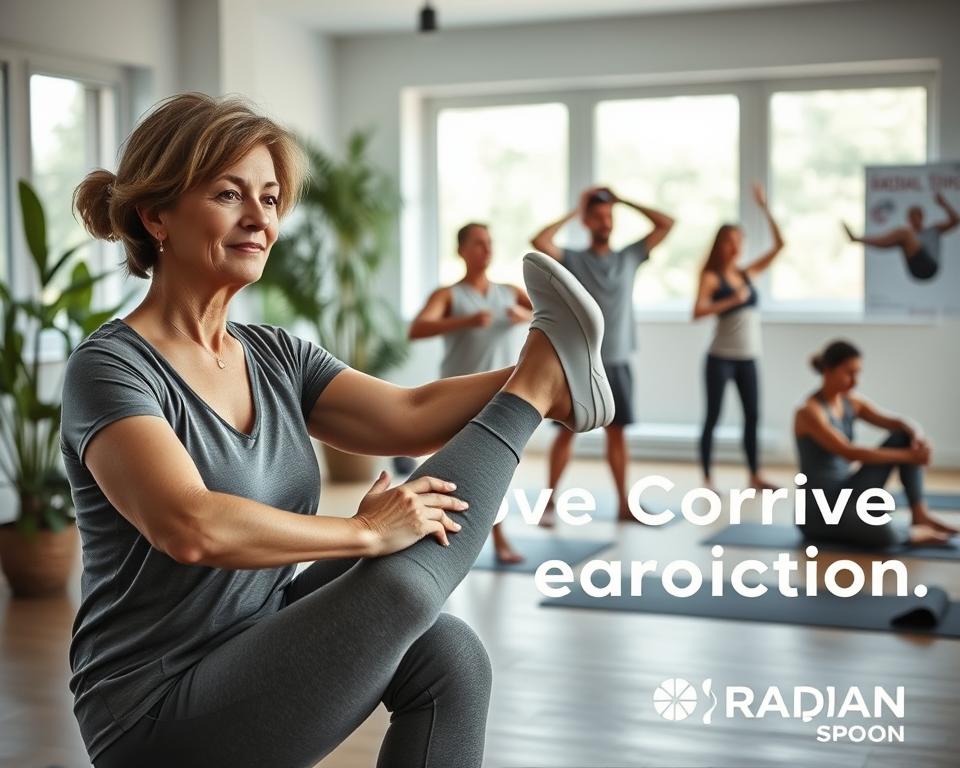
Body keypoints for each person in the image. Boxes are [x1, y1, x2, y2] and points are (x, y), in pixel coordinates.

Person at [63, 92, 614, 768]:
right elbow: (190, 525)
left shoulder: (272, 354)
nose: (258, 219)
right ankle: (543, 380)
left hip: (253, 641)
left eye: (269, 200)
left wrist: (535, 371)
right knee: (399, 583)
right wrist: (362, 532)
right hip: (151, 707)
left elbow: (407, 415)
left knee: (449, 654)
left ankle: (547, 378)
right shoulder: (110, 368)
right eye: (230, 195)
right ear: (157, 216)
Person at [530, 186, 674, 523]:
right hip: (582, 360)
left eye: (609, 216)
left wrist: (623, 199)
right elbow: (539, 241)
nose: (605, 222)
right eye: (597, 217)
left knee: (618, 433)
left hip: (619, 359)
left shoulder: (628, 256)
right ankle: (549, 504)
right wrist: (575, 210)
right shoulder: (573, 260)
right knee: (567, 431)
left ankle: (625, 505)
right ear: (587, 222)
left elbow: (666, 224)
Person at [408, 222, 533, 563]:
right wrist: (464, 321)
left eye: (489, 243)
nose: (486, 249)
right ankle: (437, 541)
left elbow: (549, 316)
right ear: (461, 250)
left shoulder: (509, 292)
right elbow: (418, 328)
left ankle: (500, 539)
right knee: (449, 473)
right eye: (478, 243)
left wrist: (525, 314)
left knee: (496, 471)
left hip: (501, 396)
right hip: (457, 397)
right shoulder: (448, 295)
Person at [793, 340, 956, 548]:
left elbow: (897, 422)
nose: (855, 381)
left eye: (857, 373)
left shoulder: (851, 402)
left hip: (847, 493)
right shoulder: (808, 411)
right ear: (827, 370)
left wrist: (917, 436)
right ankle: (911, 533)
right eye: (848, 373)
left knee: (902, 437)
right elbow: (849, 452)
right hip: (820, 509)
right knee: (884, 535)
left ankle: (919, 514)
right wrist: (910, 457)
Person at [693, 183, 783, 493]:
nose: (735, 247)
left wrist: (765, 208)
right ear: (720, 245)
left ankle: (755, 476)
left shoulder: (746, 274)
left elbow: (780, 246)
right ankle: (707, 479)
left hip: (749, 358)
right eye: (730, 241)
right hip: (720, 358)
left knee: (752, 417)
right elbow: (698, 311)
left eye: (739, 241)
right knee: (713, 418)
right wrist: (731, 301)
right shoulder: (711, 277)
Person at [843, 193, 960, 280]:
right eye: (911, 218)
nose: (914, 220)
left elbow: (955, 221)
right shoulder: (906, 239)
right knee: (902, 236)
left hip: (930, 267)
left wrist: (944, 204)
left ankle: (856, 239)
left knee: (904, 233)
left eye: (916, 217)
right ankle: (856, 239)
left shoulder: (933, 230)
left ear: (922, 217)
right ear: (909, 219)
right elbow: (882, 243)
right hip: (915, 271)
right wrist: (858, 240)